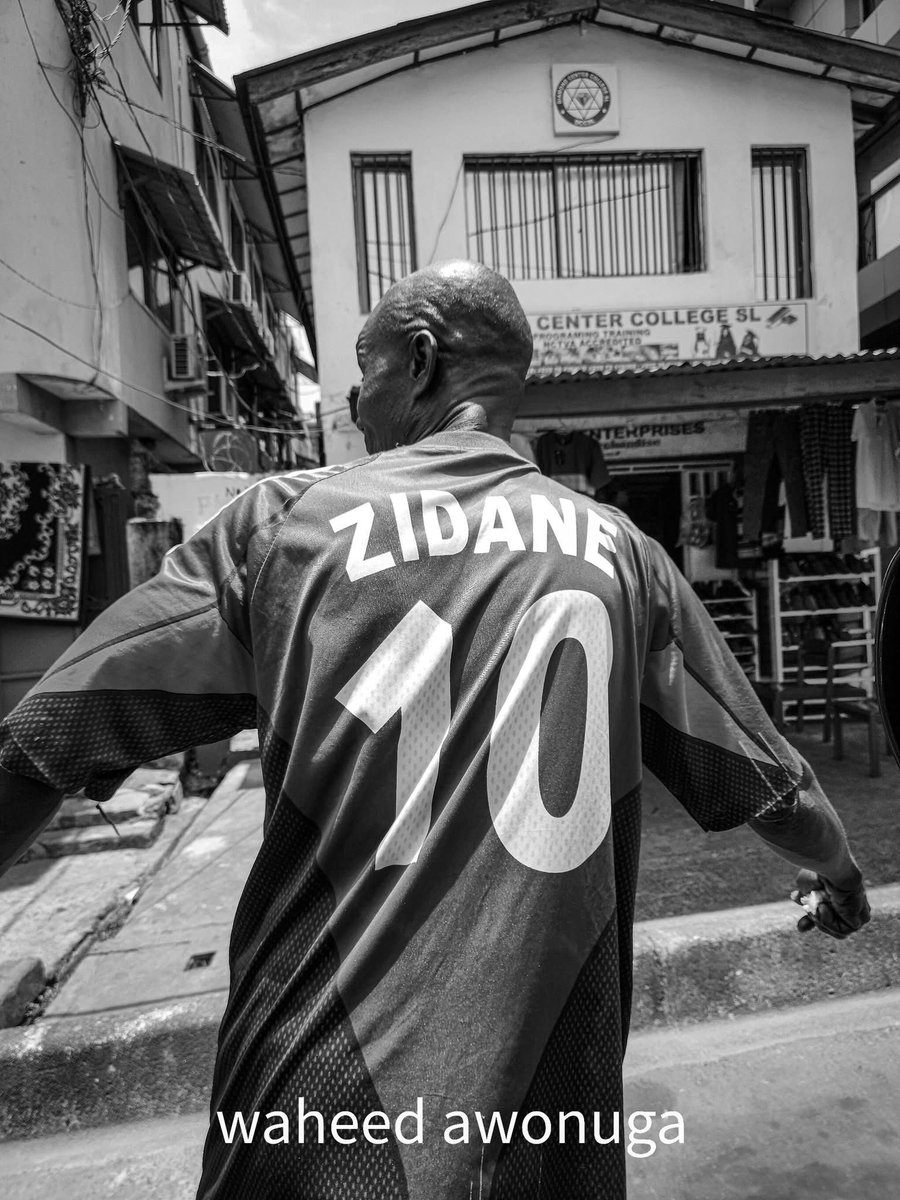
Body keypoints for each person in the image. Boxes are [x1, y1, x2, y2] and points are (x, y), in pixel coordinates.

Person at [0, 261, 869, 1198]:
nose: (353, 402)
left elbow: (43, 741)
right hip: (548, 1132)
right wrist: (841, 875)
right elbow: (776, 793)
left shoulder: (279, 529)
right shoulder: (626, 558)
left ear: (419, 361)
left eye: (363, 372)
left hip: (308, 1118)